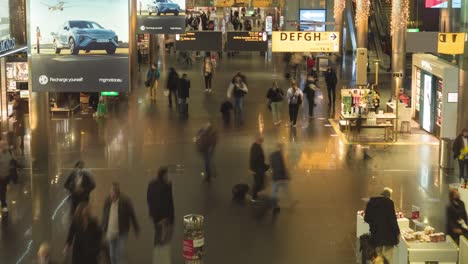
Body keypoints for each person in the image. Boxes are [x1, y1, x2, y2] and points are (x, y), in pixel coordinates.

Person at [102, 182, 140, 264]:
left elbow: (132, 214)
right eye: (111, 193)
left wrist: (136, 228)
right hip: (110, 231)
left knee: (120, 253)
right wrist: (103, 228)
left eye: (113, 193)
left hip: (122, 231)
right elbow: (104, 215)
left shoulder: (125, 201)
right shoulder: (107, 201)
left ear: (117, 193)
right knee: (112, 254)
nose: (112, 196)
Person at [364, 187, 400, 264]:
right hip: (389, 235)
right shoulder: (389, 203)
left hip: (376, 233)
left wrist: (374, 223)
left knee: (377, 256)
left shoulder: (371, 202)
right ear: (389, 196)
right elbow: (392, 220)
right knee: (388, 256)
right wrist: (397, 232)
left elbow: (366, 218)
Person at [147, 167, 175, 264]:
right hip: (165, 217)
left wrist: (152, 214)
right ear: (163, 175)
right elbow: (168, 203)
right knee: (167, 237)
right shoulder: (166, 186)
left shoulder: (151, 184)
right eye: (167, 174)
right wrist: (168, 217)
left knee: (158, 235)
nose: (168, 176)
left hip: (155, 216)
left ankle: (157, 258)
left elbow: (149, 200)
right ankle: (164, 259)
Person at [270, 143, 289, 212]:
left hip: (275, 176)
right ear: (280, 148)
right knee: (277, 190)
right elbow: (281, 167)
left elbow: (271, 165)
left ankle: (274, 204)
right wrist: (284, 176)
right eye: (282, 148)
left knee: (275, 190)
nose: (283, 149)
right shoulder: (280, 156)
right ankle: (275, 204)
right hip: (279, 176)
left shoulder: (272, 155)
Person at [249, 135, 269, 201]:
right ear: (258, 140)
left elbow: (259, 159)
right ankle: (253, 196)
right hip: (257, 169)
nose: (262, 141)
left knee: (259, 182)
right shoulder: (256, 148)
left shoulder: (256, 146)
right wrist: (252, 169)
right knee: (258, 182)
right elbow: (253, 159)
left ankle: (254, 194)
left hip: (259, 168)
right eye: (261, 140)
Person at [0, 141, 12, 213]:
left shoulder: (9, 152)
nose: (4, 146)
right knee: (2, 191)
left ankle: (3, 202)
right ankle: (4, 205)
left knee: (3, 190)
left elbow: (13, 161)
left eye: (5, 145)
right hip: (0, 176)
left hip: (6, 176)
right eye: (2, 145)